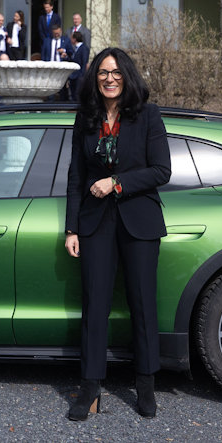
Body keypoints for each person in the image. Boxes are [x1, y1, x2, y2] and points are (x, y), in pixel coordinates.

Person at [64, 47, 172, 421]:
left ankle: (146, 385)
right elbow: (76, 175)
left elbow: (161, 170)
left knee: (142, 304)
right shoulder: (86, 117)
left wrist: (117, 182)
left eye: (116, 73)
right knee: (95, 306)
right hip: (94, 222)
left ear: (127, 76)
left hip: (139, 220)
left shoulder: (147, 114)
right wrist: (72, 228)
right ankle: (90, 388)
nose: (109, 79)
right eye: (102, 73)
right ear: (95, 78)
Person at [67, 31, 90, 102]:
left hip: (79, 76)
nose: (70, 40)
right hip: (74, 76)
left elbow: (84, 62)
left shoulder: (84, 48)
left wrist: (82, 76)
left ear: (74, 39)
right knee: (73, 94)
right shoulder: (75, 48)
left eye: (71, 38)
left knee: (78, 94)